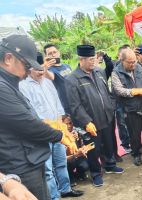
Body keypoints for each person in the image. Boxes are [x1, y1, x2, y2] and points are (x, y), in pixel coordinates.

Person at [0, 34, 70, 199]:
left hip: (30, 158)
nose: (27, 71)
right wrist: (60, 136)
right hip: (20, 165)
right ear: (9, 58)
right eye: (26, 65)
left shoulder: (10, 84)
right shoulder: (2, 87)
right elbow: (27, 123)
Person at [19, 66, 83, 199]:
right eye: (37, 70)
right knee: (47, 170)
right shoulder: (23, 86)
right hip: (42, 133)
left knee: (61, 163)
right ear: (29, 69)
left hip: (58, 130)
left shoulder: (48, 82)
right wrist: (51, 127)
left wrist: (60, 124)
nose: (41, 72)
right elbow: (32, 113)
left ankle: (65, 189)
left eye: (42, 69)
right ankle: (54, 196)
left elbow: (58, 104)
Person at [66, 45, 124, 187]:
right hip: (91, 122)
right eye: (91, 59)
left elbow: (106, 91)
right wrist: (86, 121)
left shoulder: (99, 72)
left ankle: (110, 165)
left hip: (107, 116)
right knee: (93, 149)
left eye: (94, 59)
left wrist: (110, 107)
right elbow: (75, 105)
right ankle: (96, 173)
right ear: (81, 59)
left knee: (109, 144)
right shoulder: (72, 79)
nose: (93, 62)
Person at [112, 48, 142, 166]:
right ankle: (136, 154)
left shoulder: (138, 68)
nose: (133, 64)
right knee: (134, 135)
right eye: (130, 62)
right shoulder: (116, 73)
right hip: (131, 108)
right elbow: (119, 90)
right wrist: (135, 91)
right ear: (122, 60)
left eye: (134, 61)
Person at [44, 44, 72, 114]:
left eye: (54, 52)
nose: (53, 55)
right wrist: (45, 68)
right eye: (50, 54)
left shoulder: (67, 66)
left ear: (58, 53)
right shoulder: (50, 70)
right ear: (46, 56)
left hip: (76, 100)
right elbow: (51, 77)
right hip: (66, 105)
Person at [62, 115, 89, 186]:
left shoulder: (76, 131)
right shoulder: (59, 136)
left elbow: (83, 145)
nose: (68, 126)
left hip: (76, 157)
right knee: (64, 164)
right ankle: (70, 178)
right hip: (66, 159)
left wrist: (82, 147)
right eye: (66, 124)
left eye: (70, 123)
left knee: (85, 165)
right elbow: (62, 158)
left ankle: (79, 174)